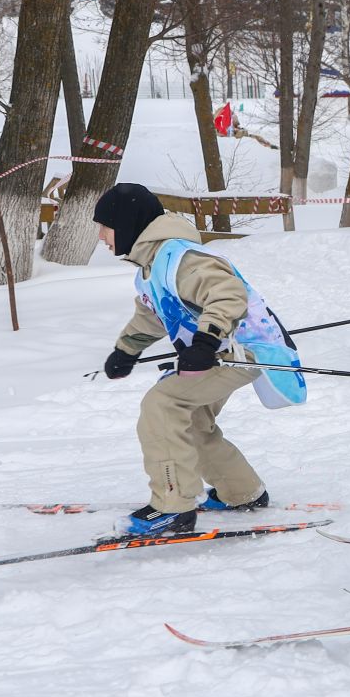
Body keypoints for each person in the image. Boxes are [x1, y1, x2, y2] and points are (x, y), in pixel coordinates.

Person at [94, 183, 306, 536]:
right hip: (220, 351)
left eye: (104, 226)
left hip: (243, 350)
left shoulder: (181, 258)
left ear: (127, 222)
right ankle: (240, 491)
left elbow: (227, 294)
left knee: (163, 404)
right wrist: (126, 349)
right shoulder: (153, 266)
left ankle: (172, 507)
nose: (100, 236)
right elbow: (153, 314)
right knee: (190, 419)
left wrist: (206, 341)